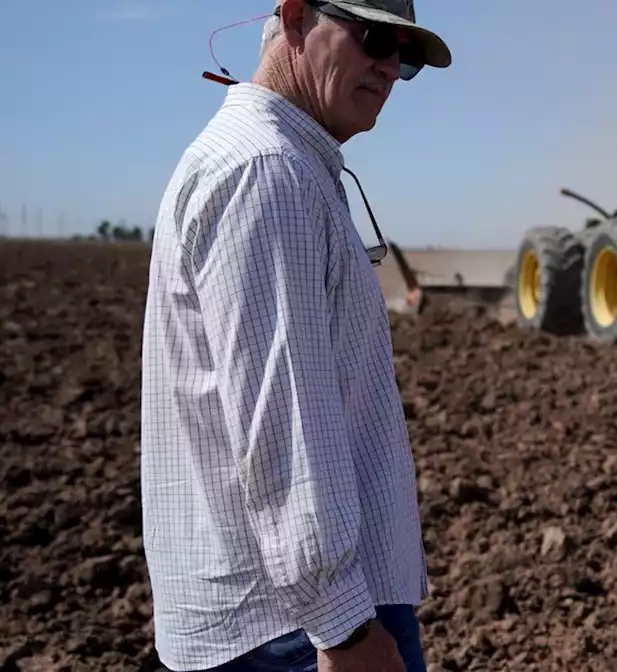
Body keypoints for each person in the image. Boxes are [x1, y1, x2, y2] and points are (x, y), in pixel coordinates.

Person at [138, 1, 450, 670]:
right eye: (375, 37)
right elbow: (284, 428)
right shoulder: (268, 172)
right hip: (293, 630)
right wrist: (344, 630)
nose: (391, 65)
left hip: (284, 617)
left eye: (408, 53)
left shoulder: (279, 164)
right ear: (295, 18)